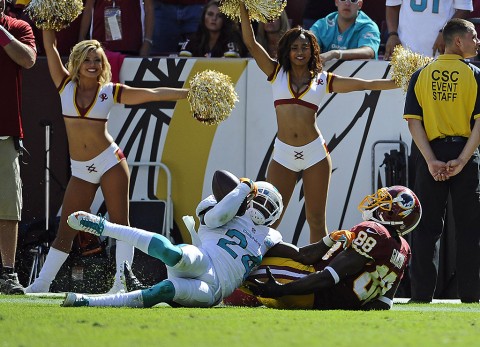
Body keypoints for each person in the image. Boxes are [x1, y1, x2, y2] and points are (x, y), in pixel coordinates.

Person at [25, 29, 189, 294]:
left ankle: (121, 284)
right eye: (88, 59)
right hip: (80, 170)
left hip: (110, 162)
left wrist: (187, 94)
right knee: (67, 228)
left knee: (120, 226)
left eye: (98, 60)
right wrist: (49, 19)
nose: (93, 65)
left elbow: (153, 93)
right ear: (77, 62)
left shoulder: (110, 92)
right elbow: (50, 46)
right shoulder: (64, 85)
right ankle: (41, 284)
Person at [239, 3, 398, 243]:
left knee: (315, 220)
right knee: (270, 219)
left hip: (315, 154)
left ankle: (316, 276)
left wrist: (400, 81)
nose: (300, 52)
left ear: (313, 50)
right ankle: (259, 271)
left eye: (305, 47)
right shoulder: (276, 73)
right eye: (294, 48)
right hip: (283, 155)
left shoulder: (323, 79)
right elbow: (251, 43)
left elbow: (366, 84)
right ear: (288, 51)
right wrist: (242, 7)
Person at [61, 177, 286, 307]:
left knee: (162, 291)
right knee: (169, 251)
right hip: (204, 259)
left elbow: (296, 254)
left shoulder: (272, 236)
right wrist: (243, 188)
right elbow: (218, 217)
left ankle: (88, 302)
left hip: (213, 290)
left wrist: (323, 243)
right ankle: (104, 227)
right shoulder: (221, 206)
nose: (264, 206)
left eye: (269, 204)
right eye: (261, 198)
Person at [227, 185, 422, 310]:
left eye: (384, 203)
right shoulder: (404, 250)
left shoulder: (374, 231)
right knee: (252, 287)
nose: (377, 203)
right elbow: (383, 304)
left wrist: (280, 291)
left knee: (245, 265)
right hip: (331, 299)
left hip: (313, 289)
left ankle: (218, 281)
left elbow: (328, 277)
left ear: (392, 215)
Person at [403, 18, 480, 303]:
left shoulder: (420, 74)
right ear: (458, 41)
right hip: (465, 155)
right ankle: (472, 297)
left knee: (426, 229)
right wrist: (461, 159)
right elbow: (479, 124)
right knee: (470, 229)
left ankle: (421, 296)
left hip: (430, 155)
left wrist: (432, 160)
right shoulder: (475, 75)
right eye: (474, 36)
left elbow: (413, 123)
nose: (477, 41)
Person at [0, 0, 36, 295]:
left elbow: (28, 59)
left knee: (8, 208)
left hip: (4, 134)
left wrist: (0, 33)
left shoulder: (17, 26)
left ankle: (7, 274)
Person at [384, 0, 473, 59]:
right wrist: (392, 34)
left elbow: (464, 9)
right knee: (406, 86)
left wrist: (446, 32)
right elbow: (392, 5)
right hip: (406, 49)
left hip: (442, 50)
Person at [309, 0, 381, 63]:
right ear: (336, 2)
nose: (347, 3)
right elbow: (308, 47)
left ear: (360, 4)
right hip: (326, 76)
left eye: (353, 0)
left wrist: (336, 54)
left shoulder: (369, 26)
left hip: (361, 76)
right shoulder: (321, 25)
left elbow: (368, 52)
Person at [78, 0, 154, 57]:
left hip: (131, 45)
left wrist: (147, 42)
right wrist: (81, 39)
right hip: (101, 46)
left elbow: (149, 8)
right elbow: (88, 8)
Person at [178, 0, 247, 58]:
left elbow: (231, 62)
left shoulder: (233, 39)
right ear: (203, 17)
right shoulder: (193, 40)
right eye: (210, 14)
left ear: (224, 19)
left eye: (219, 16)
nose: (214, 19)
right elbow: (183, 60)